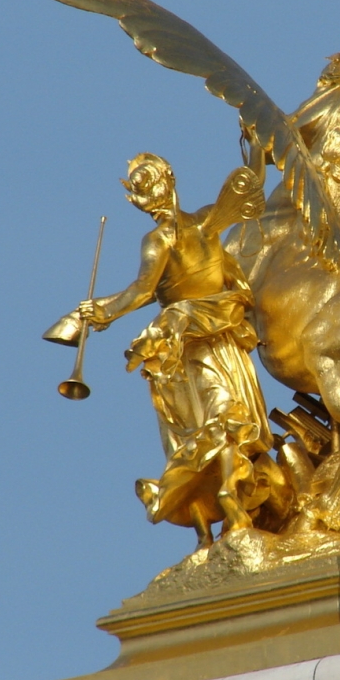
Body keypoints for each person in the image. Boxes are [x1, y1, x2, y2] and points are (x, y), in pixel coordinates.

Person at [78, 153, 290, 548]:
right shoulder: (189, 228)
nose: (146, 195)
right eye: (139, 191)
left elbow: (145, 290)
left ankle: (214, 516)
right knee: (218, 419)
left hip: (200, 337)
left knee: (205, 424)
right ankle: (219, 509)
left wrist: (105, 311)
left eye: (147, 183)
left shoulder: (183, 229)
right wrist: (103, 311)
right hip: (199, 338)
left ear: (168, 179)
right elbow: (149, 290)